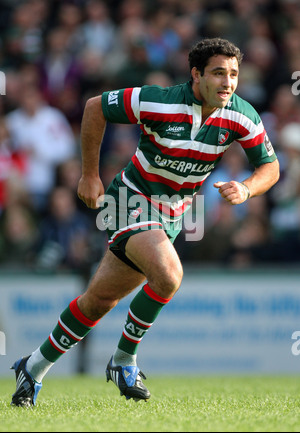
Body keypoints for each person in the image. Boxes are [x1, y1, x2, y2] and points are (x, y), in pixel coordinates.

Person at [11, 38, 279, 407]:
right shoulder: (160, 101)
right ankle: (124, 359)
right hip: (129, 200)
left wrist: (247, 189)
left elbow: (270, 166)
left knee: (99, 301)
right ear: (196, 75)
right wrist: (90, 175)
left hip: (171, 215)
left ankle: (33, 367)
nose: (228, 82)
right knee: (169, 276)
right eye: (218, 73)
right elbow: (94, 107)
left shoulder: (241, 114)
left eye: (233, 74)